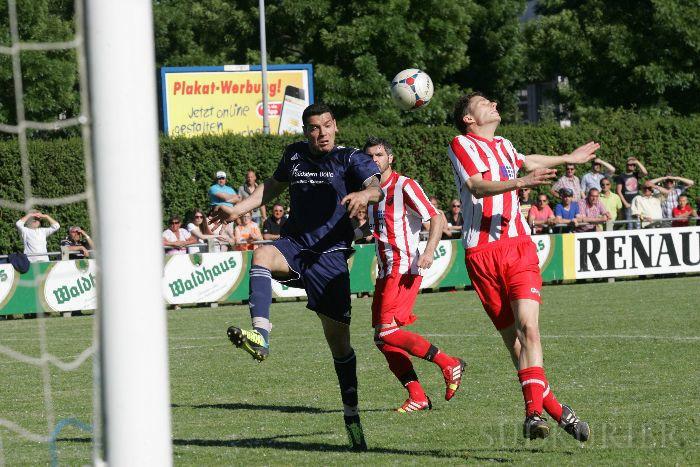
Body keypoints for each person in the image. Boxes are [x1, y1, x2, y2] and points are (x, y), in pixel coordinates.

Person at [210, 103, 383, 451]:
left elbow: (375, 186)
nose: (322, 133)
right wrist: (237, 211)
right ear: (307, 132)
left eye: (327, 126)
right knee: (260, 254)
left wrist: (365, 194)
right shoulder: (294, 156)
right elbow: (271, 187)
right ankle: (261, 336)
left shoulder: (350, 159)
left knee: (340, 346)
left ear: (336, 127)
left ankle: (352, 415)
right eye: (314, 128)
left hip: (331, 259)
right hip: (294, 246)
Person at [448, 92, 593, 441]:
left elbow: (527, 161)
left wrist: (566, 157)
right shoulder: (461, 144)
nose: (494, 104)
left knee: (529, 329)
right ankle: (558, 411)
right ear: (469, 118)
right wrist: (520, 183)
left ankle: (532, 415)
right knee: (514, 343)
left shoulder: (503, 144)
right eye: (484, 103)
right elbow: (476, 186)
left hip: (518, 248)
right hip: (481, 254)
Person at [364, 136, 465, 413]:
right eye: (370, 156)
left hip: (404, 267)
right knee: (381, 338)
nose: (374, 160)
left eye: (379, 155)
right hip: (385, 270)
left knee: (387, 331)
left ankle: (448, 362)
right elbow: (375, 229)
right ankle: (418, 396)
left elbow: (435, 218)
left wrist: (429, 250)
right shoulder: (371, 192)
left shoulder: (404, 185)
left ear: (390, 159)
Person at [615, 157, 648, 229]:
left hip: (637, 203)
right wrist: (625, 203)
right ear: (626, 165)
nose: (632, 166)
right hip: (628, 203)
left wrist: (637, 162)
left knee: (638, 224)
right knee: (629, 224)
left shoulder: (636, 175)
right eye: (630, 165)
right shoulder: (621, 176)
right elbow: (618, 191)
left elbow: (645, 172)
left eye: (634, 165)